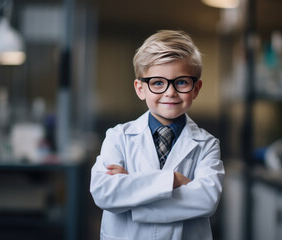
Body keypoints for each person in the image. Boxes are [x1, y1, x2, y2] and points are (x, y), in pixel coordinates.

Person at [90, 30, 225, 240]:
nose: (170, 92)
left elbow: (206, 200)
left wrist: (132, 191)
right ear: (140, 88)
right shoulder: (118, 137)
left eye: (181, 82)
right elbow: (104, 192)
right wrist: (174, 180)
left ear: (196, 88)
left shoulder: (207, 144)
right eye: (158, 83)